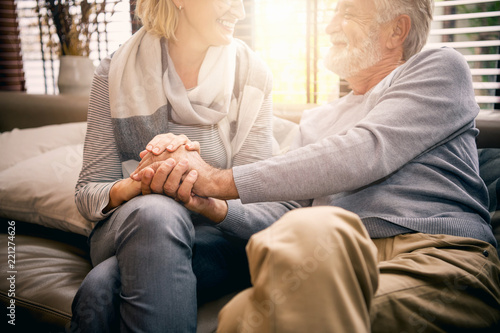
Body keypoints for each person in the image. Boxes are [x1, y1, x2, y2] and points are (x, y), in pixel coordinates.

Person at [131, 0, 500, 331]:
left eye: (347, 13)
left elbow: (365, 151)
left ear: (396, 30)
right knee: (237, 315)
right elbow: (286, 212)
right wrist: (216, 207)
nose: (329, 26)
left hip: (434, 256)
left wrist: (218, 180)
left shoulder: (438, 68)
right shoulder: (317, 119)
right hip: (335, 259)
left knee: (271, 313)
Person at [70, 0, 279, 332]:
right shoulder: (113, 72)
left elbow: (261, 201)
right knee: (156, 210)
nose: (239, 12)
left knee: (101, 287)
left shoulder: (251, 75)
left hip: (217, 237)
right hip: (132, 224)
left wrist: (204, 197)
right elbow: (88, 193)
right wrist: (145, 181)